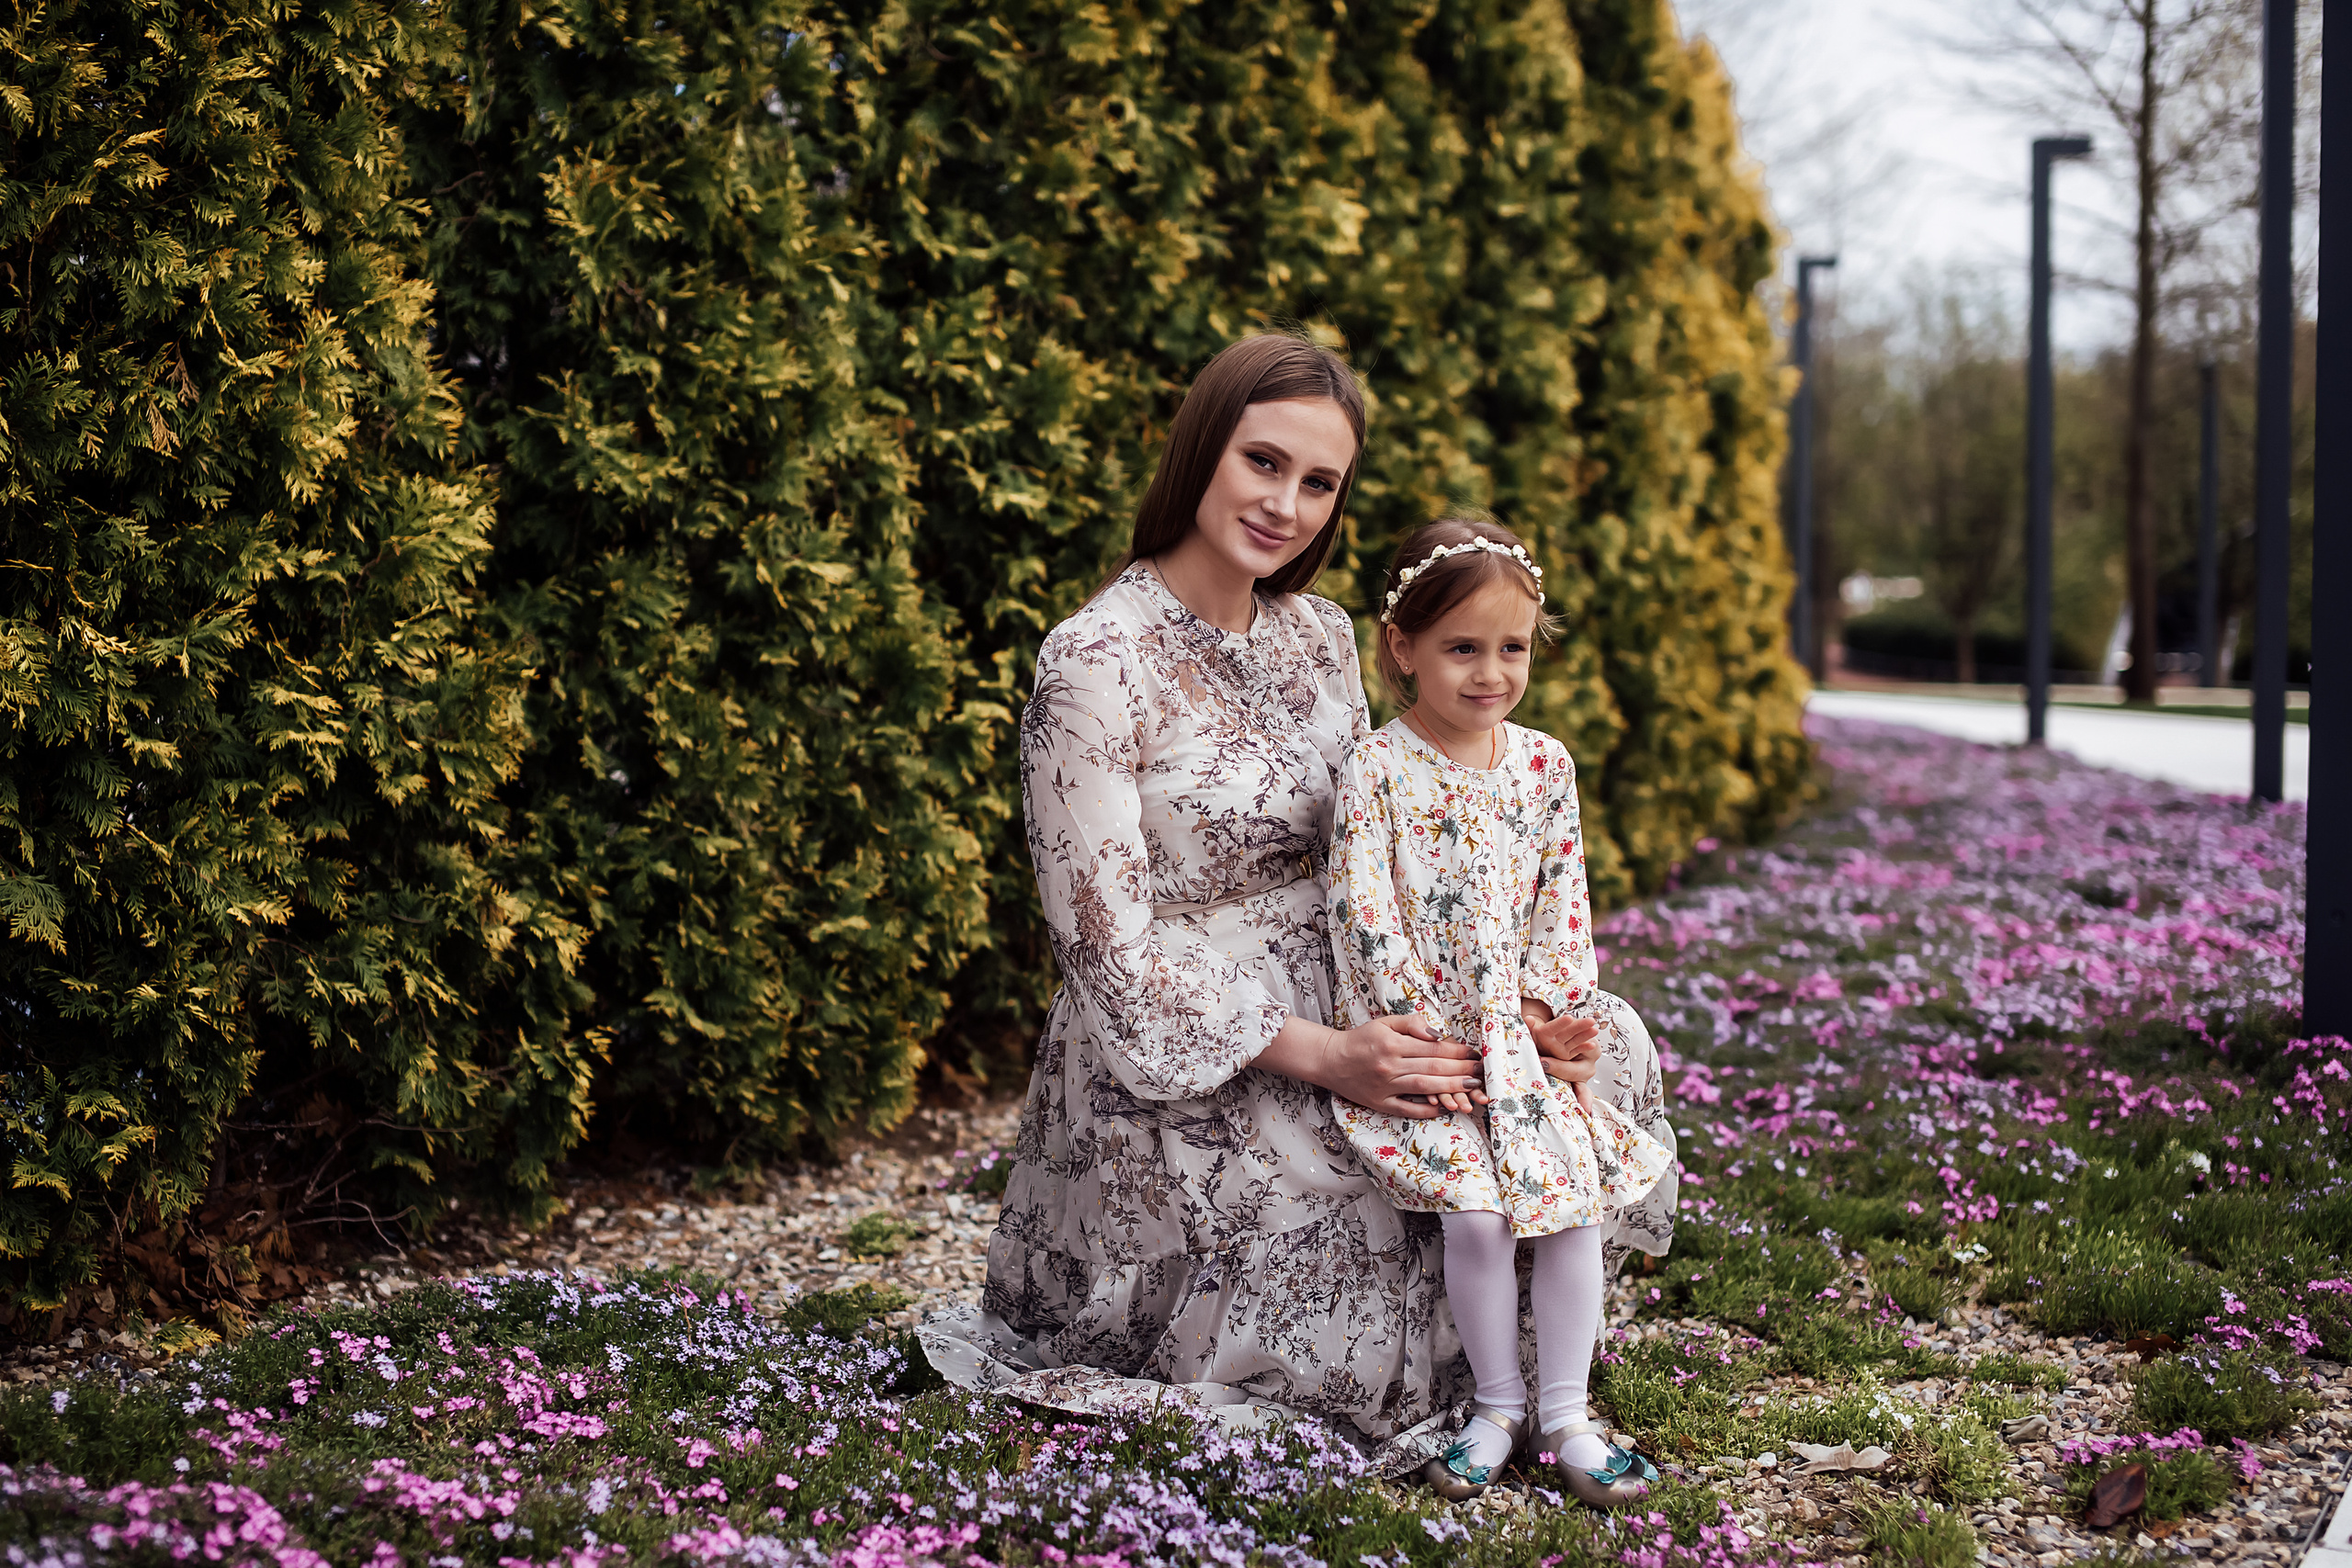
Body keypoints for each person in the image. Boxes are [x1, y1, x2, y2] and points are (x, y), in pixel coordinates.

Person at [1329, 516, 1678, 1506]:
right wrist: (1431, 1041)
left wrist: (1541, 1016)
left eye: (1512, 647)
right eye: (1462, 649)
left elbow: (1562, 905)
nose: (1491, 673)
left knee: (1570, 1209)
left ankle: (1567, 1415)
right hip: (1435, 1057)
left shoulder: (1543, 767)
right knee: (1477, 1218)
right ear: (1403, 647)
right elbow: (1364, 915)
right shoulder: (1377, 769)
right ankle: (1496, 1407)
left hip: (1520, 1053)